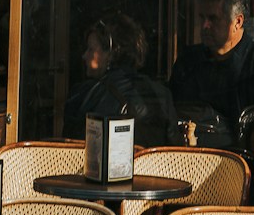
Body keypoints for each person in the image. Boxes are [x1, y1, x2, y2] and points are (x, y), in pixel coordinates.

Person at [166, 0, 254, 142]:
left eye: (213, 19)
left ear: (237, 22)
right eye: (202, 17)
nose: (204, 26)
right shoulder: (187, 61)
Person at [63, 14, 177, 145]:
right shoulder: (162, 94)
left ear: (111, 53)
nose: (84, 56)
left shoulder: (83, 95)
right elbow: (173, 154)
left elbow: (70, 152)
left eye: (90, 49)